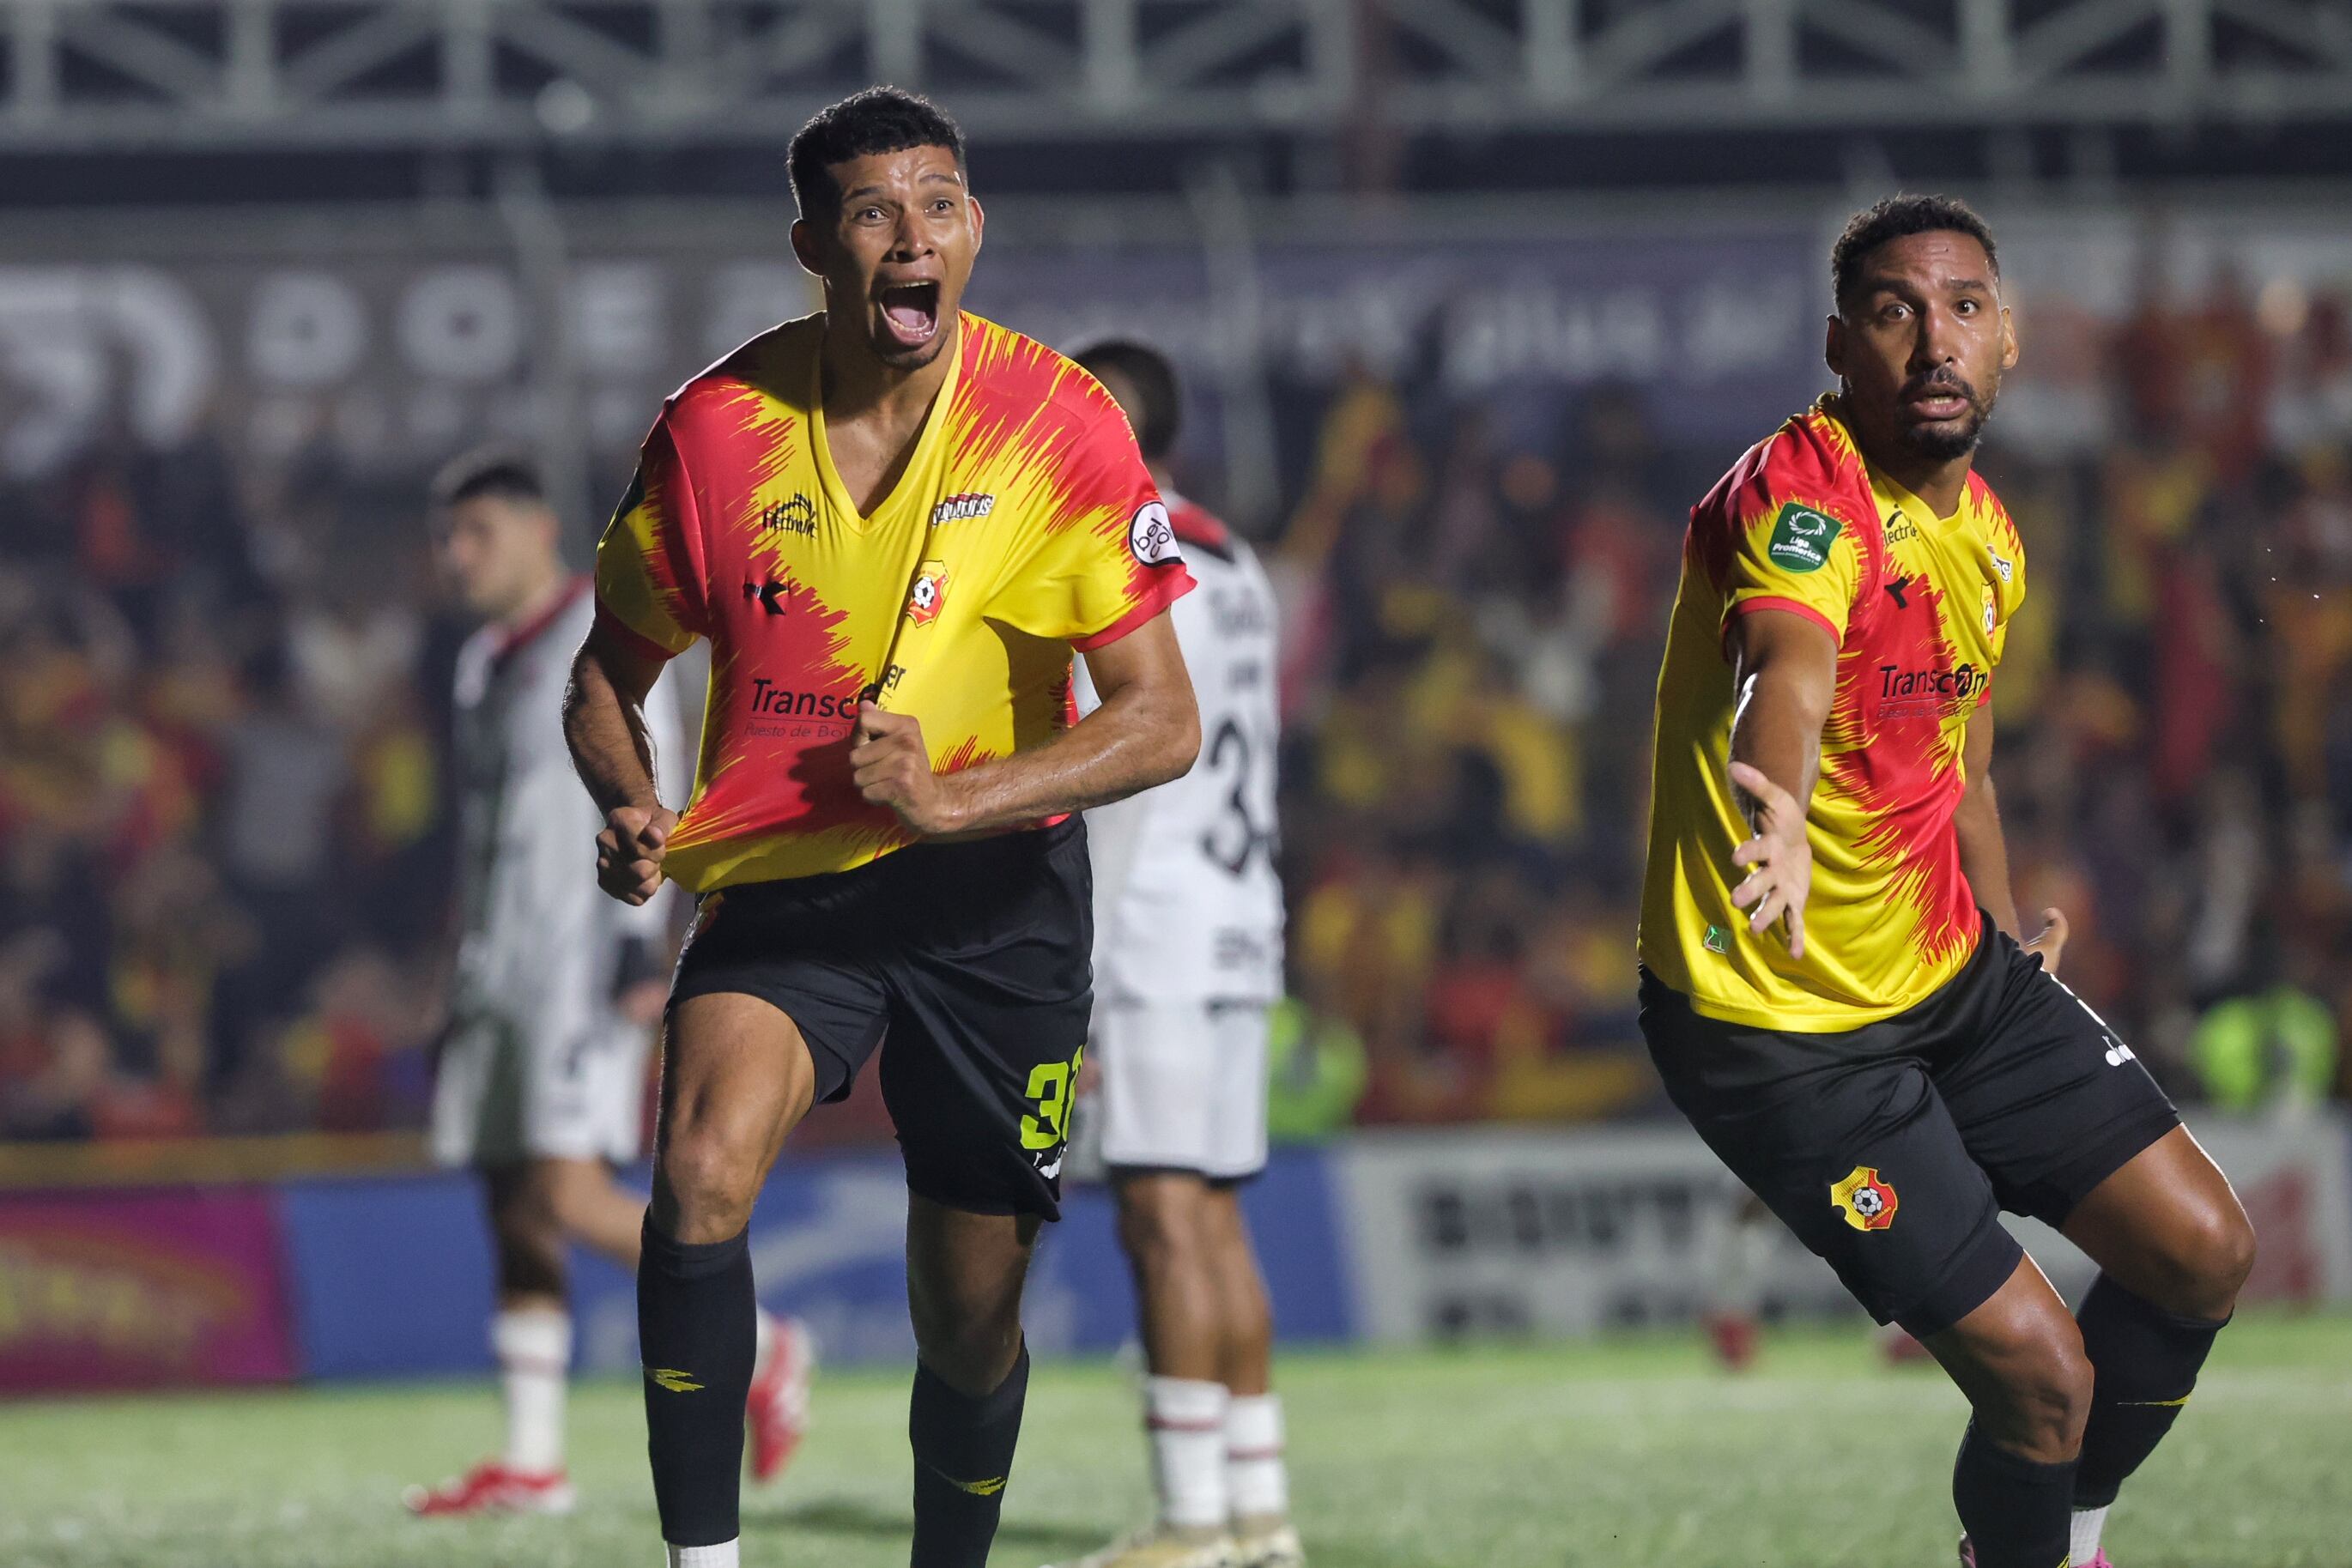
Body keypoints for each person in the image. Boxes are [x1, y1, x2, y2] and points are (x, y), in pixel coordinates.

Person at [563, 88, 1201, 1568]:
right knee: (700, 1174)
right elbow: (605, 673)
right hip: (789, 883)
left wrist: (958, 794)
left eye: (940, 206)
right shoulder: (715, 432)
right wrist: (630, 799)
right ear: (813, 246)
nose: (913, 238)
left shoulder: (1058, 421)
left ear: (975, 228)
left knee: (968, 1318)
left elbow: (1163, 719)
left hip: (998, 900)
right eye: (872, 212)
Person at [1636, 194, 2257, 1568]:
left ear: (2009, 339)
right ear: (1838, 346)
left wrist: (2006, 918)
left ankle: (2063, 1541)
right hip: (1784, 1026)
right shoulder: (1799, 497)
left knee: (2203, 1248)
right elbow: (1786, 672)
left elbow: (1958, 762)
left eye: (1964, 307)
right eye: (1894, 311)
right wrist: (1776, 810)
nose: (1934, 341)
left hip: (1956, 976)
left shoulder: (1990, 538)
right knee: (2042, 1373)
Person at [408, 448, 812, 1518]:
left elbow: (651, 775)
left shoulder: (601, 633)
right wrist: (455, 970)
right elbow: (483, 833)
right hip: (498, 965)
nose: (458, 556)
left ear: (541, 532)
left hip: (581, 963)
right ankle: (532, 1460)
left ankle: (767, 1345)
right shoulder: (481, 661)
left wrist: (644, 941)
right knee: (511, 1199)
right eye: (447, 538)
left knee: (561, 1190)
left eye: (478, 533)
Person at [1054, 341, 1300, 1568]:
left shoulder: (1119, 555)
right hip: (1241, 916)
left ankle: (1192, 1520)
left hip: (1153, 925)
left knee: (1159, 1220)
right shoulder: (1234, 559)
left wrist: (1076, 972)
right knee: (1211, 1220)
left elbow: (1122, 776)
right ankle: (1261, 1513)